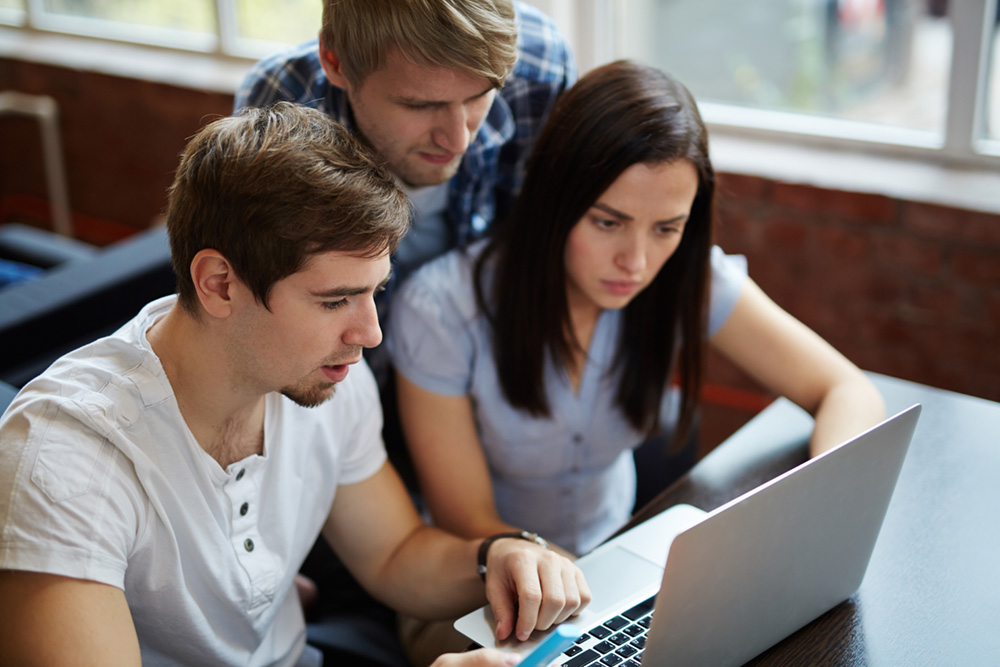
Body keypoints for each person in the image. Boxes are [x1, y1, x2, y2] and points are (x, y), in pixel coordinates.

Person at [0, 103, 589, 667]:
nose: (371, 334)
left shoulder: (323, 375)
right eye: (335, 300)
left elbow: (393, 556)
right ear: (220, 284)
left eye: (374, 291)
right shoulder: (65, 462)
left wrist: (497, 556)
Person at [387, 61, 887, 560]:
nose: (637, 262)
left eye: (667, 228)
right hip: (483, 583)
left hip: (620, 559)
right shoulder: (442, 309)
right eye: (608, 223)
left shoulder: (687, 277)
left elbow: (847, 388)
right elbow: (468, 522)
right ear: (554, 201)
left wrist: (829, 501)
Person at [234, 0, 576, 293]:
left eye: (479, 96)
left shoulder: (538, 68)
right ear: (336, 61)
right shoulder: (279, 109)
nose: (458, 140)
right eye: (420, 105)